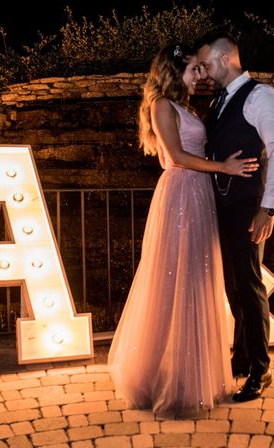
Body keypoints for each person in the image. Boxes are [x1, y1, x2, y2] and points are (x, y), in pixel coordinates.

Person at [107, 43, 259, 417]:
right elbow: (174, 157)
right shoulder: (161, 104)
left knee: (195, 280)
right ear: (175, 73)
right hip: (180, 195)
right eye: (194, 70)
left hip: (197, 194)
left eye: (201, 70)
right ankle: (165, 380)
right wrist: (223, 168)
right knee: (173, 281)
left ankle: (191, 375)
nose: (201, 75)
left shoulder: (182, 106)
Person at [197, 31, 274, 402]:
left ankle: (260, 369)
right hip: (221, 205)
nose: (203, 71)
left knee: (251, 287)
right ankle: (241, 355)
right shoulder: (220, 100)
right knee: (233, 286)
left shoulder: (262, 96)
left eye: (206, 63)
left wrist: (269, 207)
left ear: (224, 60)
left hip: (249, 206)